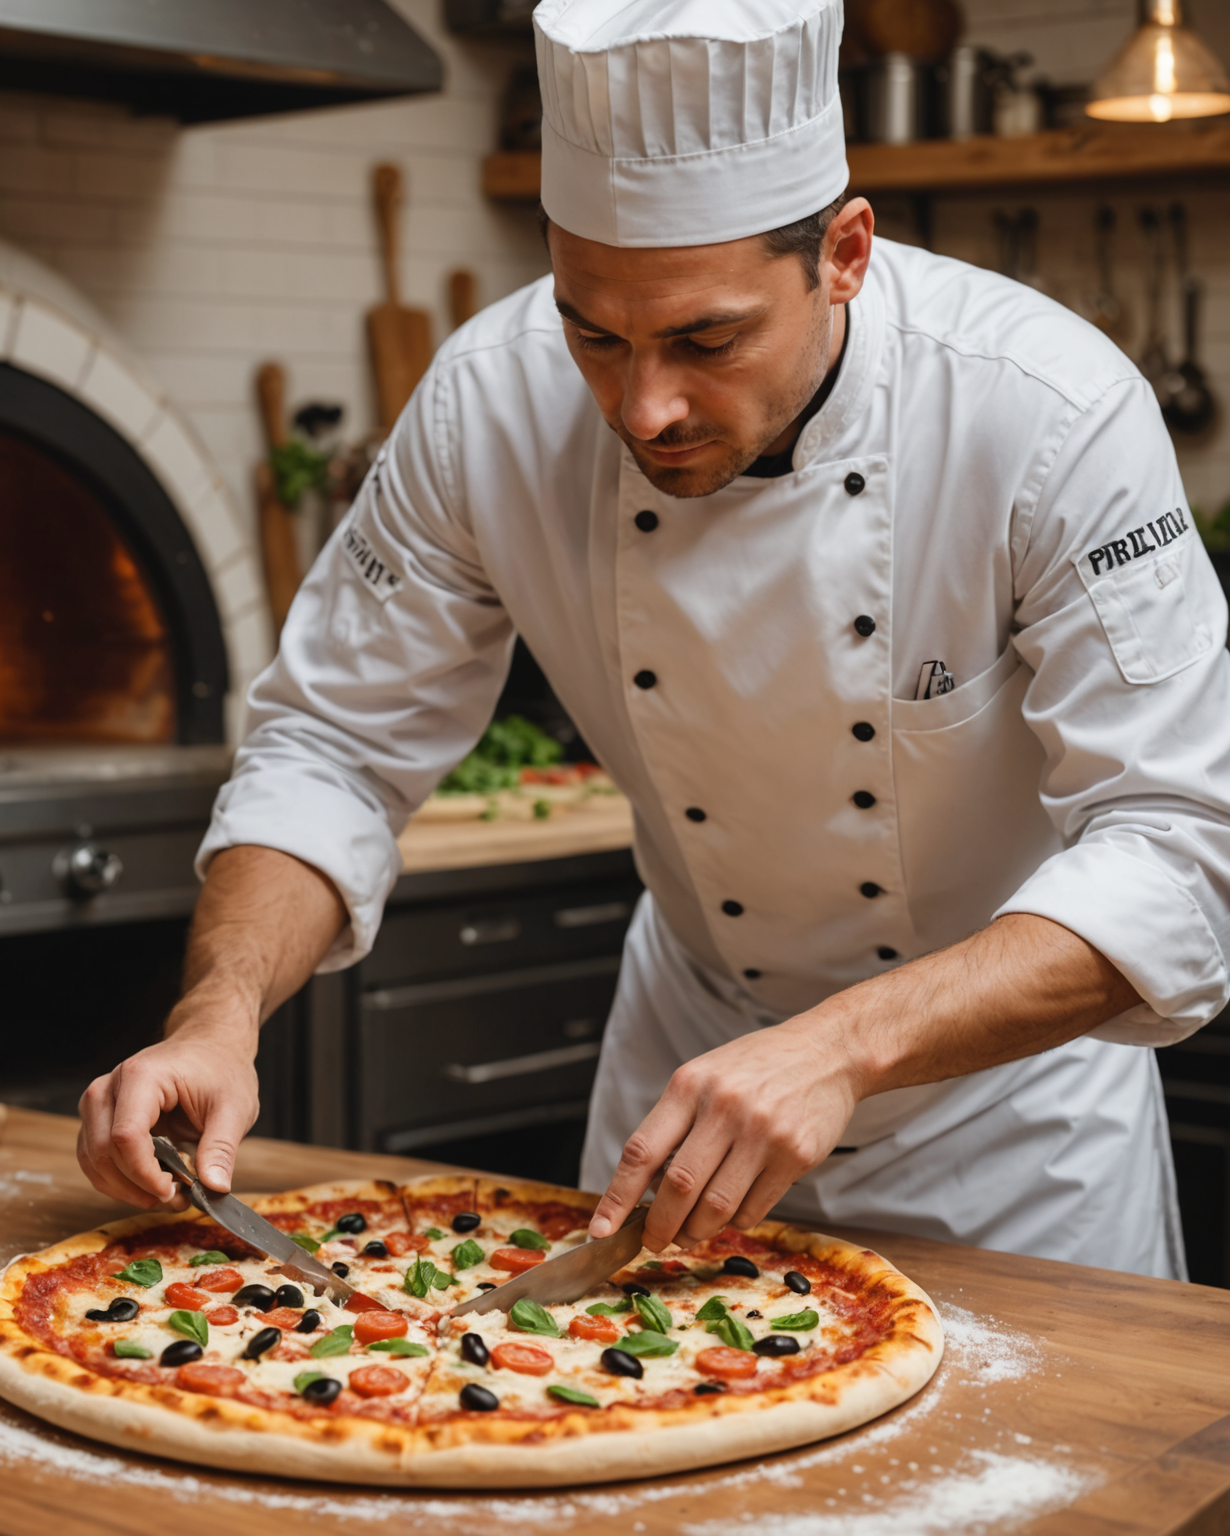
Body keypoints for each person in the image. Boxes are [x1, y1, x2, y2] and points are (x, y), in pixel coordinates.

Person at [78, 0, 1230, 1280]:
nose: (645, 407)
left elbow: (1183, 849)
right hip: (684, 1092)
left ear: (844, 253)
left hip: (1009, 1125)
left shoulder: (1047, 417)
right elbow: (333, 744)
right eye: (593, 331)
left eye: (707, 338)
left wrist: (838, 1048)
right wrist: (217, 1016)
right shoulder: (485, 406)